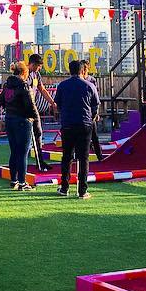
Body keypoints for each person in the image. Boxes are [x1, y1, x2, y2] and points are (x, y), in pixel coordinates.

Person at [54, 60, 99, 199]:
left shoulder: (62, 85)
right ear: (82, 70)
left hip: (67, 124)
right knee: (83, 157)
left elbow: (58, 103)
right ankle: (82, 190)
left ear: (69, 70)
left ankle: (64, 187)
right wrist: (90, 118)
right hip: (85, 124)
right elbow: (95, 106)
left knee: (67, 156)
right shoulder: (89, 85)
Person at [1, 61, 36, 191]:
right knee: (23, 153)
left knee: (14, 151)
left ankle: (13, 180)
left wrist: (8, 108)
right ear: (24, 73)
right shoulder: (24, 85)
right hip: (22, 120)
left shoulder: (7, 85)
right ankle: (22, 182)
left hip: (9, 118)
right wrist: (34, 118)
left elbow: (1, 100)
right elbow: (30, 105)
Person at [26, 54, 54, 170]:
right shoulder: (25, 74)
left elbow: (42, 89)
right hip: (25, 108)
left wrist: (52, 103)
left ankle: (40, 161)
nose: (39, 68)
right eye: (38, 66)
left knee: (38, 133)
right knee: (27, 136)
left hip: (33, 107)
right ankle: (24, 162)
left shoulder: (36, 74)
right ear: (32, 64)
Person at [79, 60, 105, 162]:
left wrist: (96, 112)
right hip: (81, 111)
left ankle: (100, 156)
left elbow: (96, 98)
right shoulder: (78, 80)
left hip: (90, 111)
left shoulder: (92, 80)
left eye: (86, 68)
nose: (85, 70)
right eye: (83, 68)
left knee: (94, 135)